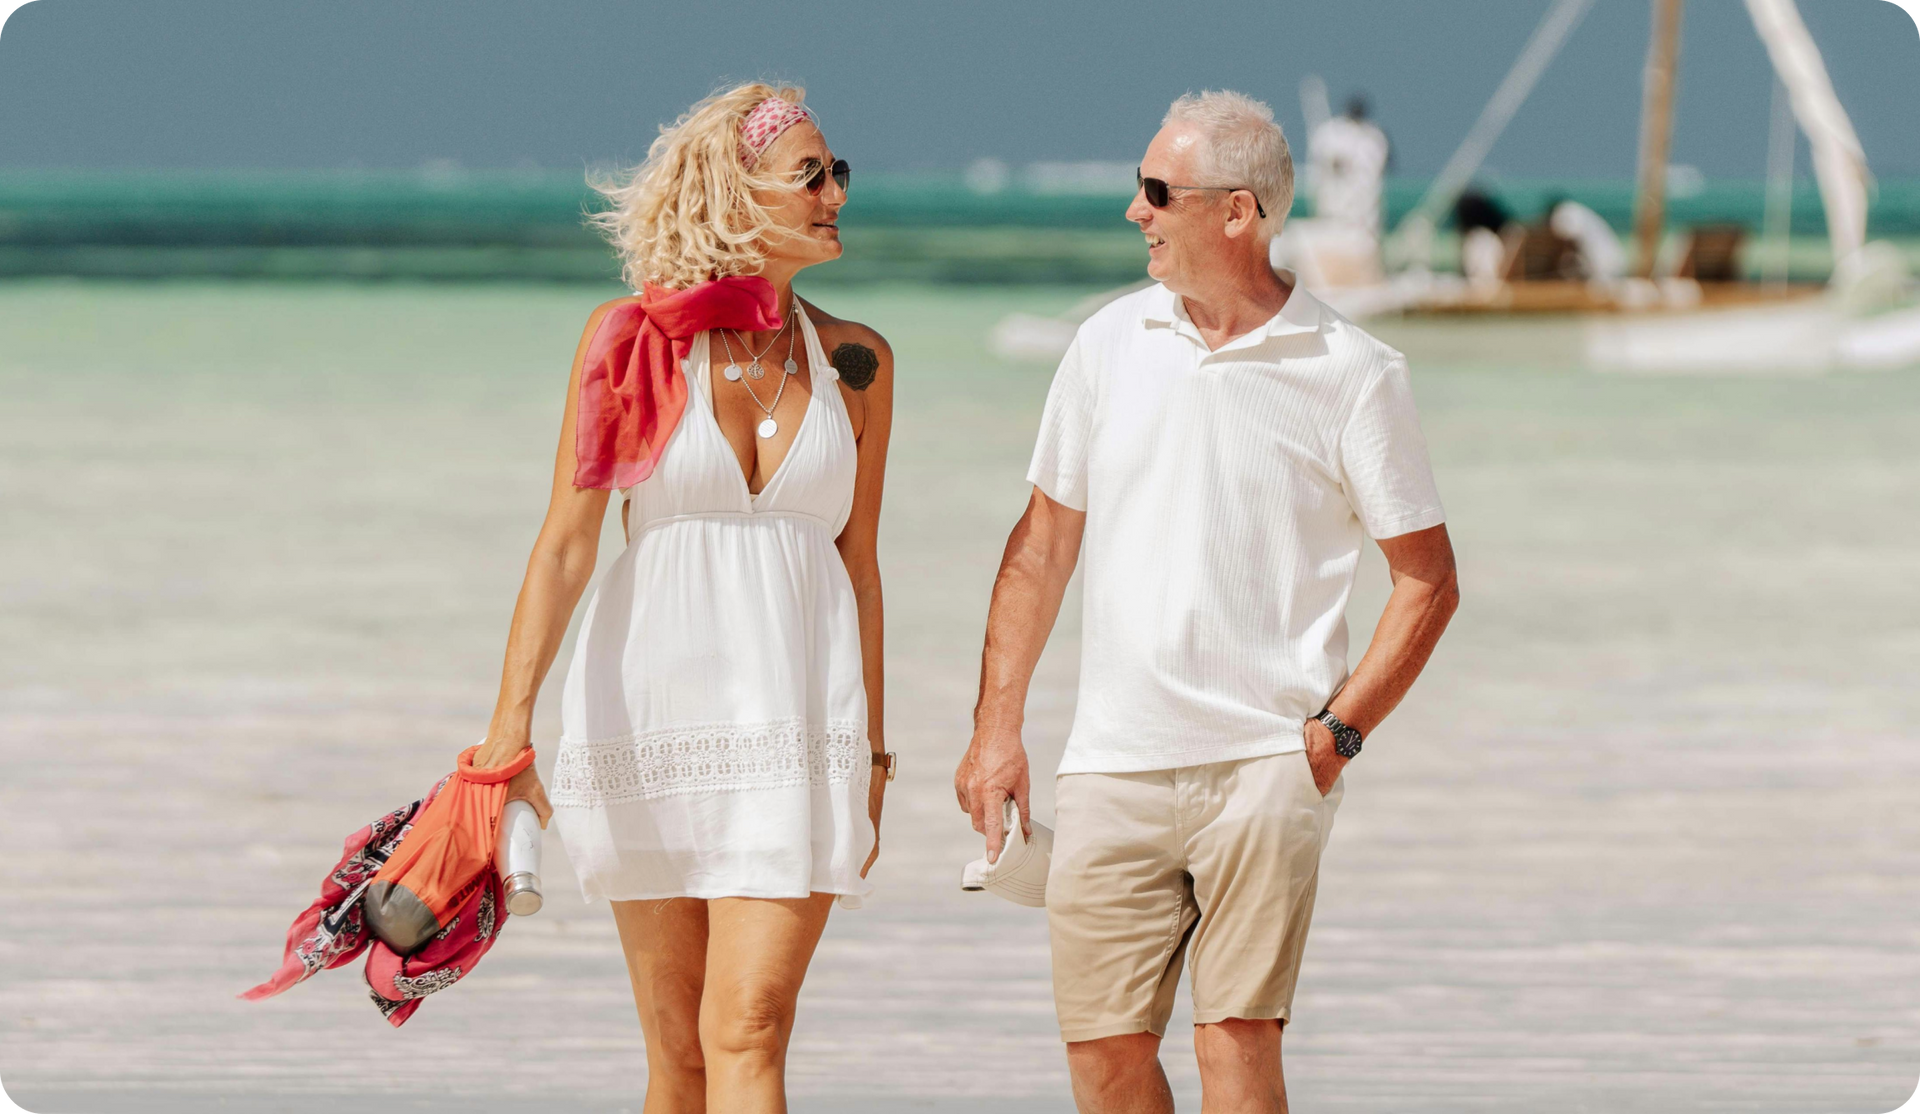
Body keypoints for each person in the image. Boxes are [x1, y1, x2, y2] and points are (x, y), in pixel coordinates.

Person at [955, 90, 1459, 1114]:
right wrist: (995, 731)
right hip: (1111, 762)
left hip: (1268, 767)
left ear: (1238, 212)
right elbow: (1042, 546)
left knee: (1236, 1043)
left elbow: (1428, 579)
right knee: (1102, 1056)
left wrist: (1336, 737)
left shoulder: (1354, 371)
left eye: (1157, 191)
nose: (1134, 211)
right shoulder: (1106, 343)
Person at [468, 83, 895, 1112]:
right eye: (811, 174)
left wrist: (875, 755)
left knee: (750, 1023)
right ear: (733, 193)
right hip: (651, 718)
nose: (836, 194)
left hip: (798, 726)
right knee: (680, 1055)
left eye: (838, 172)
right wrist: (505, 736)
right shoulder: (632, 343)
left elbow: (860, 565)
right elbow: (566, 546)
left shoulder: (859, 363)